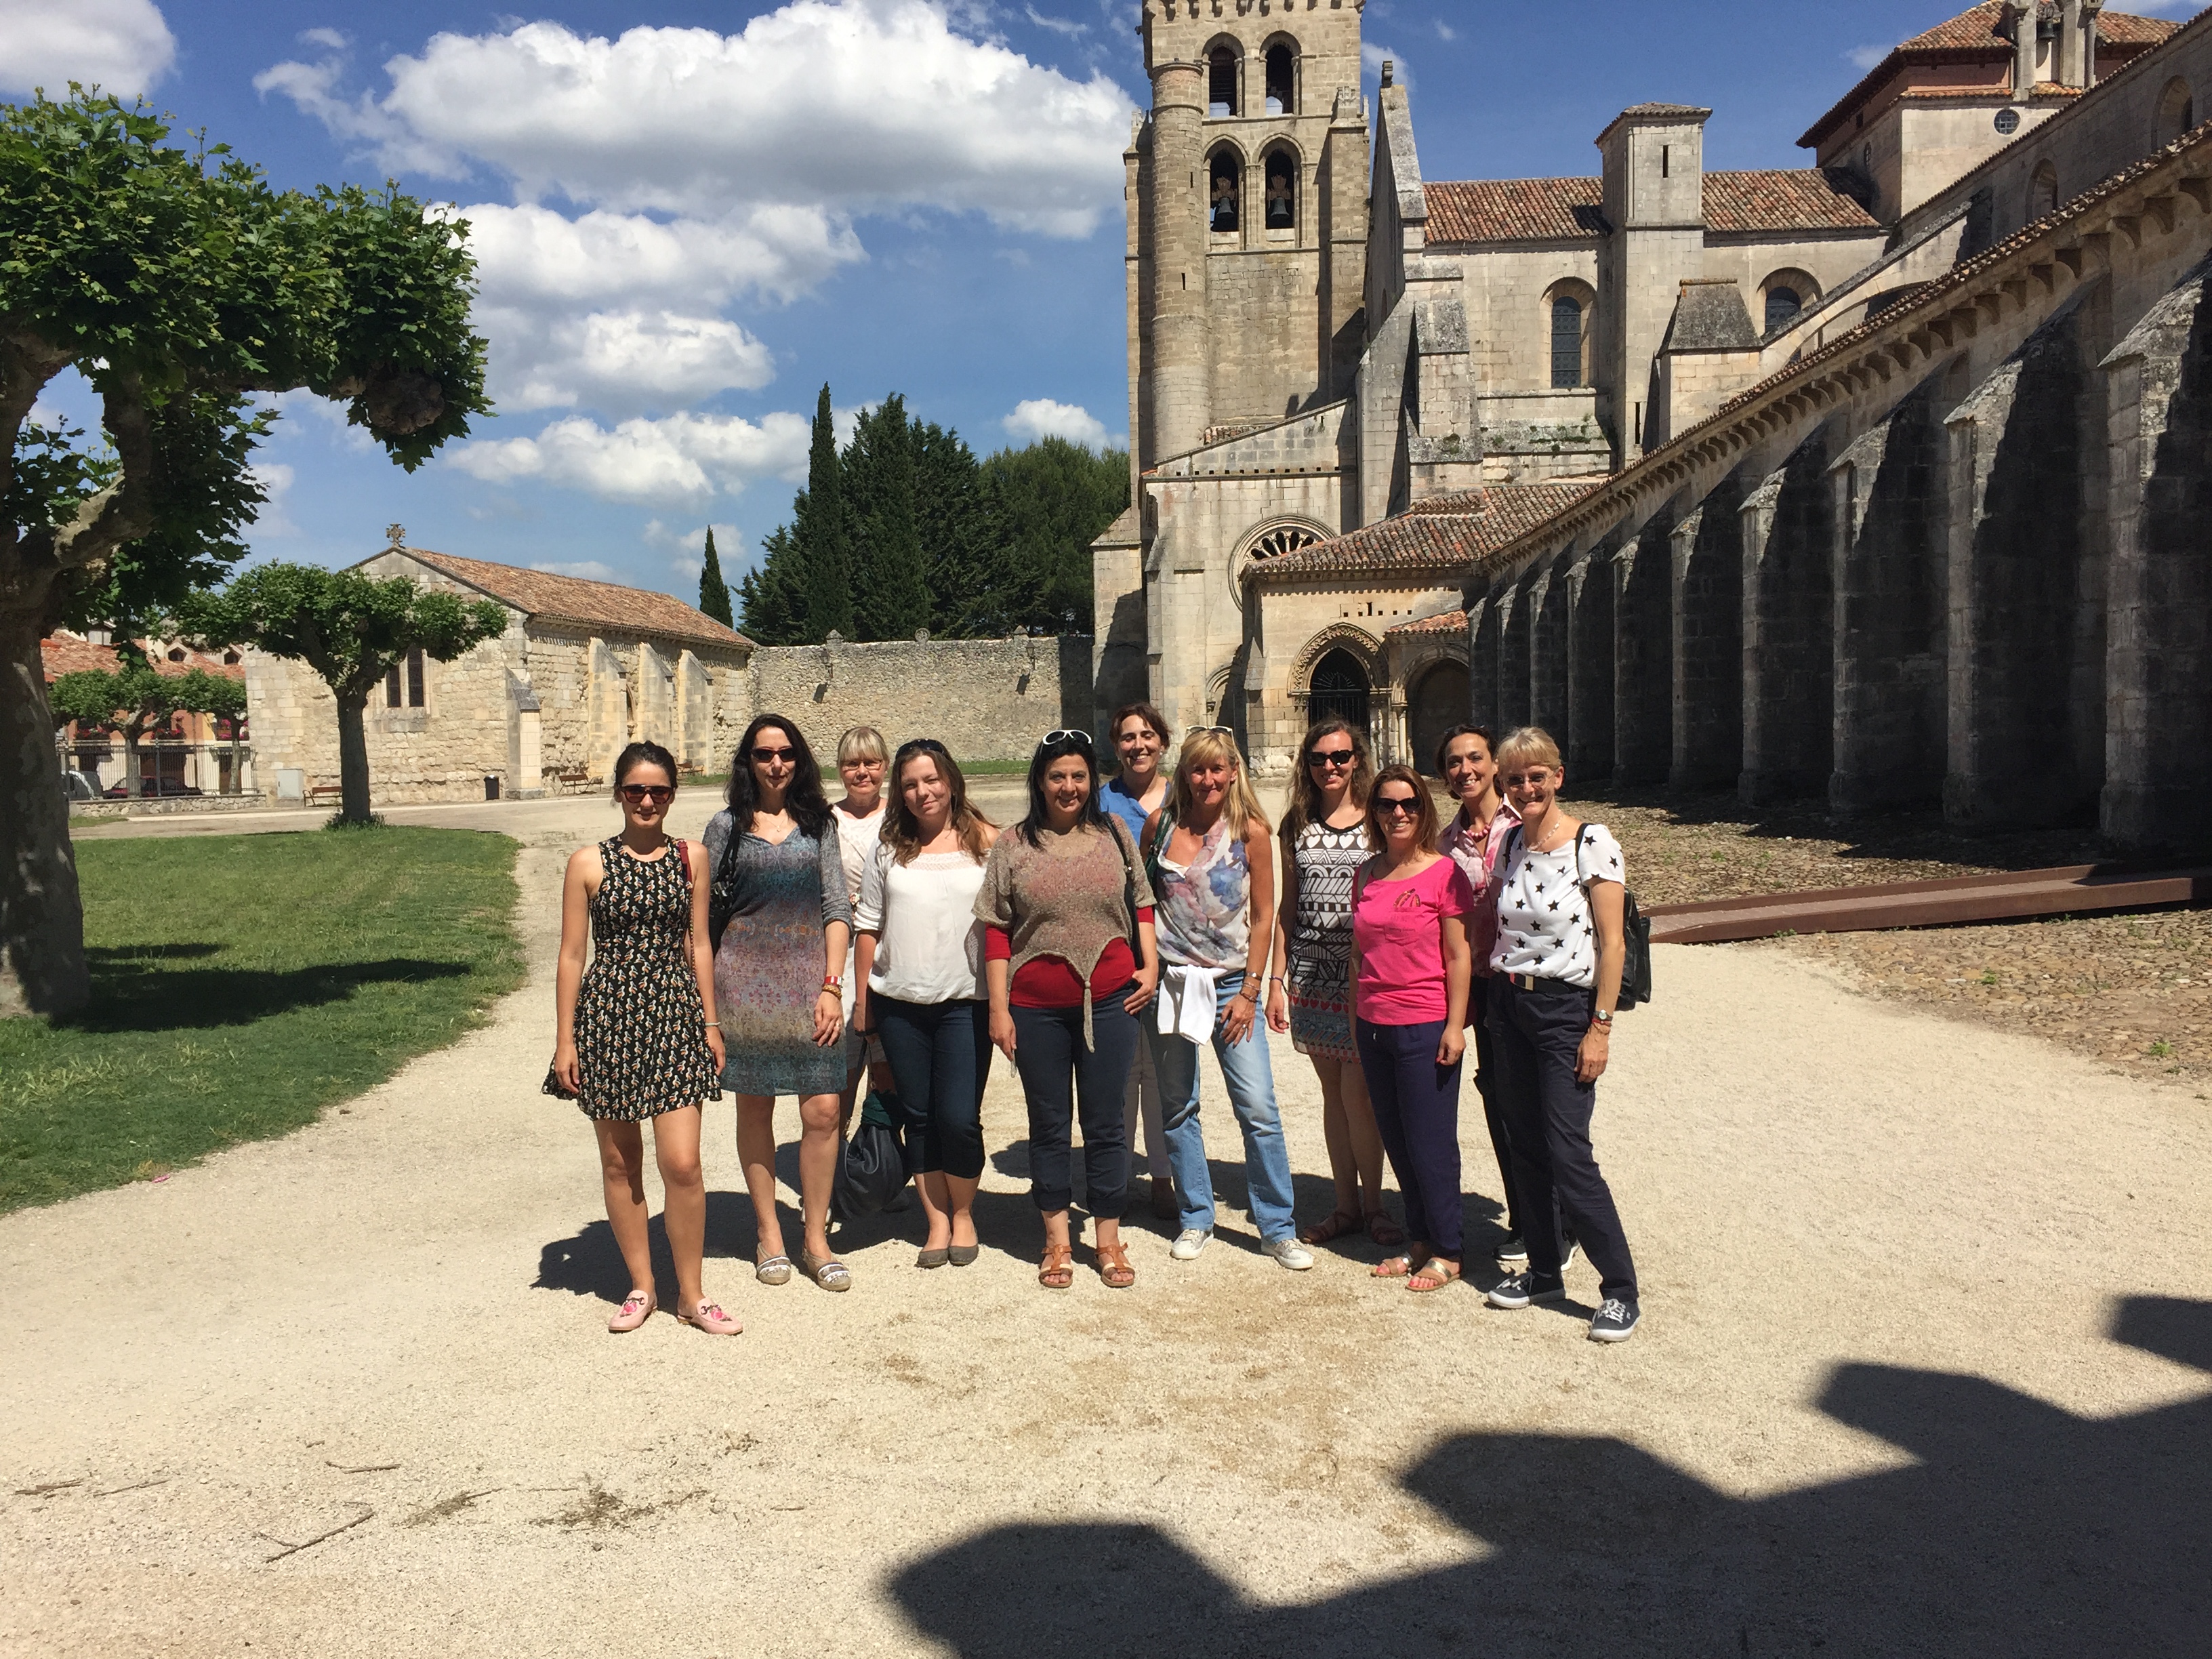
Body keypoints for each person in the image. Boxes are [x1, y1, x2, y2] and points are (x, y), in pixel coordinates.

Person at [548, 741, 737, 1335]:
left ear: (673, 794)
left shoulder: (692, 857)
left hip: (676, 1015)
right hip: (609, 1018)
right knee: (619, 1160)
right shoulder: (588, 863)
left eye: (659, 791)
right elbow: (572, 956)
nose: (648, 801)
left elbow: (700, 943)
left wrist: (711, 1023)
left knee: (682, 1164)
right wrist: (565, 1041)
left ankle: (692, 1293)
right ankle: (641, 1286)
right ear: (619, 794)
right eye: (636, 791)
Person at [977, 731, 1160, 1290]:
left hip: (1110, 1002)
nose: (1069, 786)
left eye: (1078, 775)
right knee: (1050, 1125)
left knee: (1106, 1125)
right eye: (1057, 776)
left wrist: (1149, 966)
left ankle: (1107, 1237)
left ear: (1090, 781)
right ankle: (1057, 1237)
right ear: (1040, 781)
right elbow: (997, 930)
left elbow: (1142, 902)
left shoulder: (1115, 833)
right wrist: (1000, 1010)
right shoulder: (1013, 844)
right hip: (1035, 1010)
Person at [1480, 726, 1641, 1343]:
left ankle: (1620, 1289)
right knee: (1525, 1145)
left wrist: (1600, 1028)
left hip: (1565, 1011)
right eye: (1514, 779)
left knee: (1569, 1150)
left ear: (1558, 776)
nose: (1525, 788)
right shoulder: (1511, 842)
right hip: (1510, 1007)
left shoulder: (1593, 843)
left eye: (1535, 776)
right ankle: (1545, 1269)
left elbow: (1613, 943)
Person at [1143, 729, 1313, 1271]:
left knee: (1258, 1108)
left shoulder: (1251, 832)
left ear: (1234, 772)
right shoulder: (1160, 826)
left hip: (1229, 986)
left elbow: (1264, 915)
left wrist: (1251, 991)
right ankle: (1197, 1217)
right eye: (1198, 770)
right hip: (1173, 984)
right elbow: (1143, 904)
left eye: (1218, 769)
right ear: (1184, 774)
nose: (1208, 780)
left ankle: (1278, 1228)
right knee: (1178, 1105)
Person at [706, 714, 855, 1293]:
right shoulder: (725, 826)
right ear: (749, 761)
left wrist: (832, 985)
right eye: (765, 754)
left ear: (799, 760)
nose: (776, 763)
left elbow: (836, 907)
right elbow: (706, 916)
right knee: (756, 1110)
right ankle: (769, 1231)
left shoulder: (820, 824)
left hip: (810, 987)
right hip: (743, 987)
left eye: (786, 753)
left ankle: (815, 1238)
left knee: (823, 1112)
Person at [853, 739, 998, 1269]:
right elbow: (868, 924)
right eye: (911, 784)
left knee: (959, 1117)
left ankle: (964, 1214)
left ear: (951, 780)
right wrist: (864, 999)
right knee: (919, 1116)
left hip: (967, 1001)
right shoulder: (889, 848)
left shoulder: (987, 842)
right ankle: (936, 1221)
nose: (922, 792)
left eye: (931, 780)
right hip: (900, 1003)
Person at [1267, 718, 1401, 1250]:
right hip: (1310, 974)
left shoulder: (1378, 820)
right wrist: (1277, 978)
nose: (1331, 767)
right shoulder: (1296, 822)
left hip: (1362, 977)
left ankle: (1374, 1205)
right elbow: (1288, 905)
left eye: (1341, 757)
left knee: (1359, 1094)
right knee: (1332, 1093)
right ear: (1308, 763)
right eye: (1320, 758)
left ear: (1357, 760)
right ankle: (1346, 1205)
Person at [1349, 764, 1476, 1292]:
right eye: (1385, 804)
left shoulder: (1445, 874)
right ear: (1374, 813)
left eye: (1409, 804)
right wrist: (1358, 1015)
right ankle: (1420, 1239)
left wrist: (1455, 1025)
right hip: (1374, 1022)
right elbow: (1360, 953)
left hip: (1425, 1023)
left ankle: (1449, 1248)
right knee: (1398, 1140)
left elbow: (1459, 955)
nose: (1397, 813)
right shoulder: (1367, 873)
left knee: (1430, 1142)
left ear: (1424, 809)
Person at [1435, 724, 1528, 1269]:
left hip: (1529, 980)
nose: (1465, 770)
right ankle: (1524, 1216)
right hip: (1485, 985)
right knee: (1497, 1097)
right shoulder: (1444, 843)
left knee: (1537, 1101)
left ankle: (1555, 1218)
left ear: (1494, 765)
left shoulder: (1526, 824)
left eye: (1474, 758)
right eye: (1453, 762)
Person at [1100, 701, 1176, 1222]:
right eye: (1128, 737)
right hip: (1115, 946)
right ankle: (1120, 1173)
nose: (1138, 745)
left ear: (1163, 742)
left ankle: (1166, 1176)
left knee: (1168, 1068)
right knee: (1123, 1069)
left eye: (1147, 735)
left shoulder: (1183, 795)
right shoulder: (1100, 800)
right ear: (1116, 745)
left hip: (1174, 946)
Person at [832, 726, 890, 1110]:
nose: (862, 772)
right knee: (843, 1066)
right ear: (841, 770)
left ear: (884, 767)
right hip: (845, 946)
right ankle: (834, 1151)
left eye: (871, 762)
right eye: (853, 764)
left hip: (892, 944)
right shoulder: (826, 820)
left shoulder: (904, 815)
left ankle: (878, 1158)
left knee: (887, 1066)